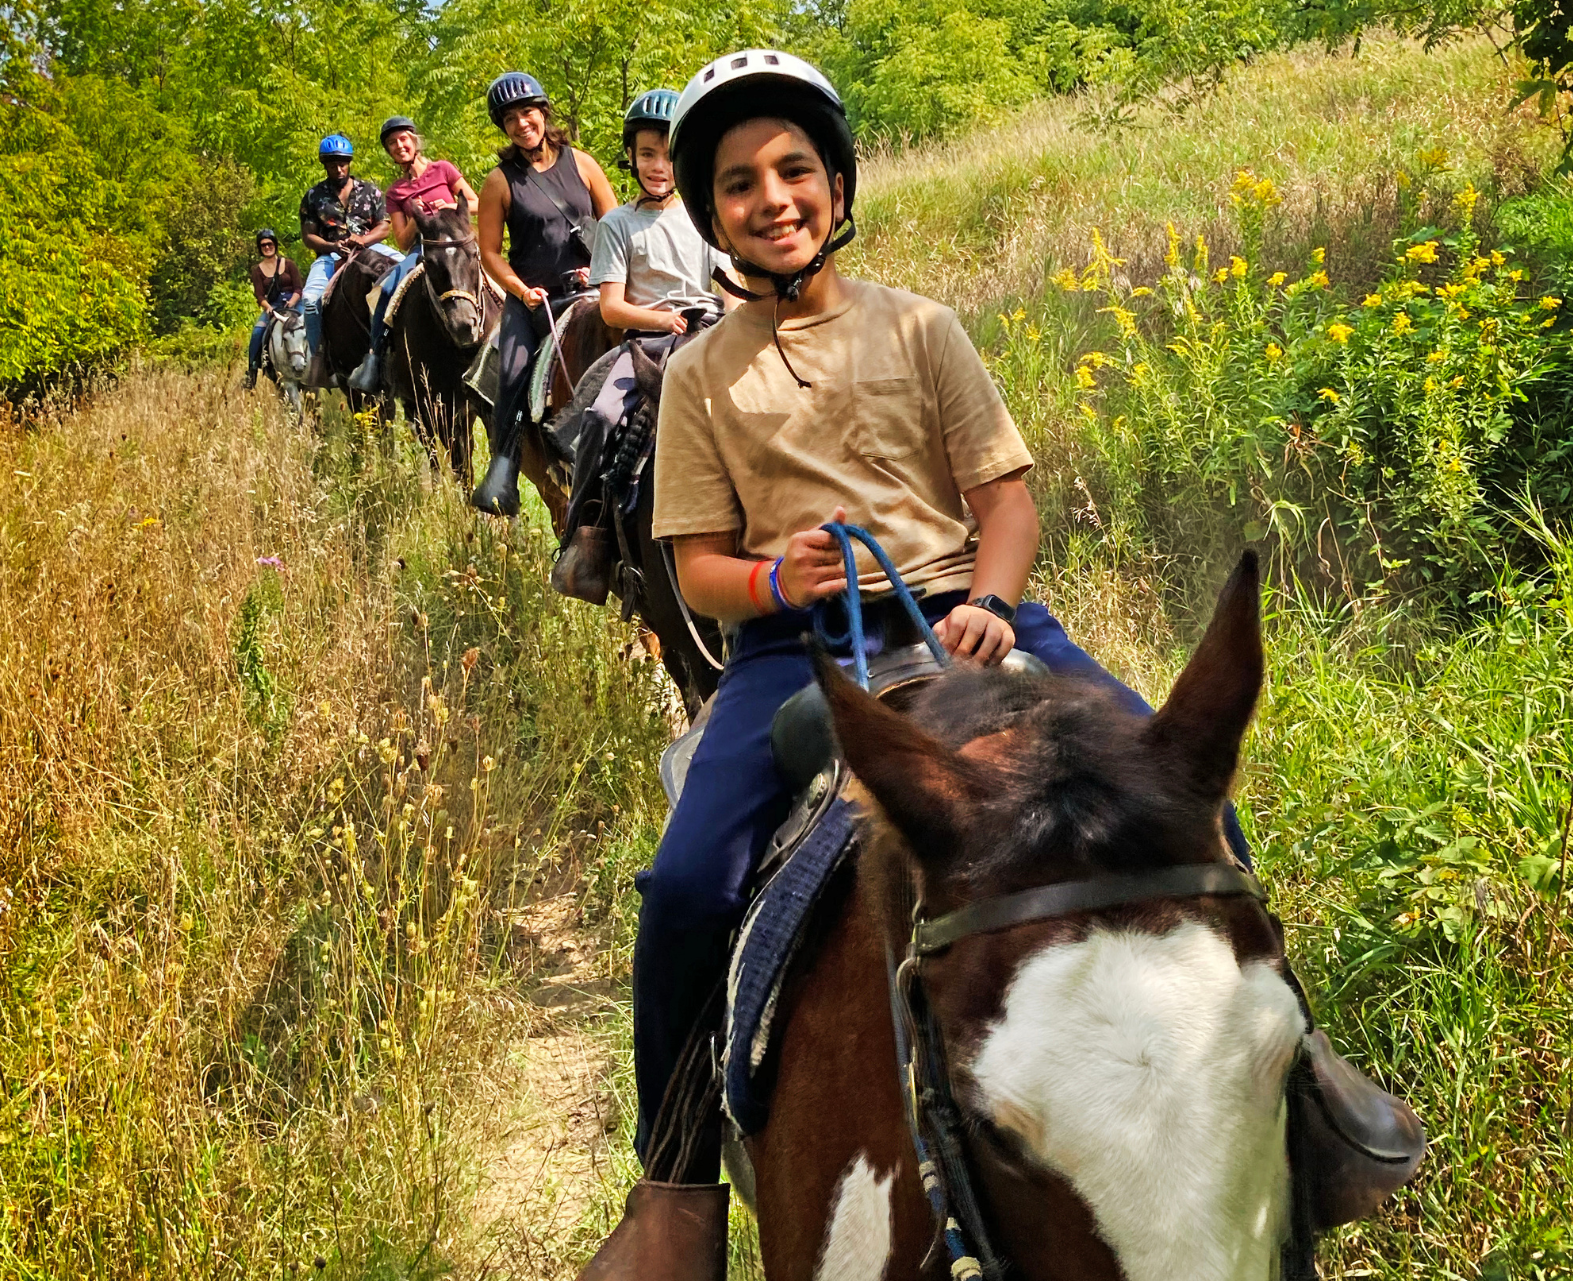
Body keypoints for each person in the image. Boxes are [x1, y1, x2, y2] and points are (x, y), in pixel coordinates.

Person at [575, 48, 1256, 1275]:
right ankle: (675, 1191)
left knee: (1181, 787)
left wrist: (994, 604)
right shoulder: (698, 377)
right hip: (793, 653)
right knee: (686, 886)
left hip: (967, 616)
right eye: (738, 182)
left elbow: (1005, 503)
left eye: (794, 170)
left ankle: (1277, 1077)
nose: (771, 198)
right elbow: (698, 573)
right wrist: (781, 582)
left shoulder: (923, 328)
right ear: (710, 209)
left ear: (837, 186)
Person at [471, 71, 619, 515]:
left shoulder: (583, 163)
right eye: (511, 118)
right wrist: (520, 289)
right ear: (504, 127)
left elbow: (613, 224)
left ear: (543, 113)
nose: (522, 123)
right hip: (534, 298)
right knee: (513, 372)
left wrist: (603, 267)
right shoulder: (500, 181)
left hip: (593, 288)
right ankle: (504, 470)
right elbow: (490, 253)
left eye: (528, 112)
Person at [348, 116, 482, 393]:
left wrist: (446, 204)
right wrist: (416, 217)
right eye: (392, 144)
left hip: (457, 244)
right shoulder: (396, 191)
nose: (399, 146)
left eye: (403, 140)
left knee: (491, 278)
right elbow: (401, 238)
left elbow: (476, 202)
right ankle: (375, 359)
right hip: (422, 250)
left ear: (414, 140)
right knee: (386, 291)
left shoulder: (443, 169)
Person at [589, 89, 733, 337]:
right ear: (630, 155)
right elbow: (611, 308)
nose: (658, 167)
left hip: (707, 328)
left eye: (670, 157)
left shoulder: (703, 215)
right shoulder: (616, 224)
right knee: (608, 378)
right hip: (647, 339)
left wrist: (737, 318)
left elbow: (730, 285)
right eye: (647, 154)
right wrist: (664, 320)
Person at [297, 133, 400, 375]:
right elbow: (308, 236)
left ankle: (406, 343)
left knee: (410, 273)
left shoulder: (370, 191)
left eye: (342, 162)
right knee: (310, 301)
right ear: (325, 164)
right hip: (330, 255)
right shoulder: (314, 196)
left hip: (370, 248)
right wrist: (332, 246)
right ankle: (319, 359)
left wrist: (363, 240)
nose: (339, 168)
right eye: (333, 163)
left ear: (349, 162)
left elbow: (384, 227)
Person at [243, 229, 300, 390]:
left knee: (308, 324)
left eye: (269, 243)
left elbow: (298, 288)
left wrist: (292, 302)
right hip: (273, 305)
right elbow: (260, 296)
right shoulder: (257, 270)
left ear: (275, 244)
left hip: (293, 301)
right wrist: (268, 308)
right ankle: (252, 371)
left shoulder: (289, 264)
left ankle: (321, 363)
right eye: (263, 245)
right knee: (257, 332)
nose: (267, 247)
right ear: (260, 248)